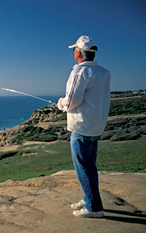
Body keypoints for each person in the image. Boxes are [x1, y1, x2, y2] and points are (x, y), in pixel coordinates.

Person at [56, 36, 110, 218]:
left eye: (74, 50)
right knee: (90, 166)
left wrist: (60, 104)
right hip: (96, 126)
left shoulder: (79, 72)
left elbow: (71, 101)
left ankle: (94, 208)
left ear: (79, 52)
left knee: (83, 168)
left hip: (82, 127)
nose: (73, 52)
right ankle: (90, 199)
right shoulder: (104, 72)